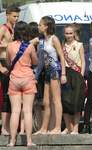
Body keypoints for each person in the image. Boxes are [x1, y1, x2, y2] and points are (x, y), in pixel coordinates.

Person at [31, 16, 67, 135]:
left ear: (46, 27)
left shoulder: (54, 39)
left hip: (55, 70)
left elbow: (61, 57)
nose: (38, 27)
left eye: (40, 25)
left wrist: (63, 74)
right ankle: (43, 128)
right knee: (46, 102)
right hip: (46, 71)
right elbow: (26, 43)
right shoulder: (40, 39)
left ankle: (57, 127)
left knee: (56, 100)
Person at [6, 21, 37, 147]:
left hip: (14, 78)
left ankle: (12, 141)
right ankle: (29, 141)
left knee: (15, 111)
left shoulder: (9, 46)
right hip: (27, 78)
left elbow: (8, 63)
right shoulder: (29, 46)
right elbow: (35, 62)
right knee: (28, 111)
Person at [61, 24, 85, 134]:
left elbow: (83, 61)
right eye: (67, 33)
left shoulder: (79, 45)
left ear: (74, 33)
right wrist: (63, 74)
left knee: (76, 103)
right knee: (65, 102)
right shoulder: (62, 46)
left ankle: (75, 129)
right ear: (64, 34)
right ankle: (68, 127)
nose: (69, 35)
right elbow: (61, 61)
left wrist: (81, 74)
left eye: (71, 33)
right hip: (65, 74)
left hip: (77, 74)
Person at [0, 5, 20, 135]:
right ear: (7, 15)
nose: (16, 19)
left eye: (18, 16)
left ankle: (11, 127)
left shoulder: (14, 29)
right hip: (3, 64)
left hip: (12, 64)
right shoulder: (3, 29)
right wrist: (0, 67)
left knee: (13, 96)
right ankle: (4, 128)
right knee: (6, 97)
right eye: (14, 16)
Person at [28, 22, 44, 131]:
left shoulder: (37, 42)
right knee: (39, 104)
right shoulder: (34, 42)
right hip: (40, 75)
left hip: (36, 74)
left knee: (37, 105)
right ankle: (42, 128)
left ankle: (41, 128)